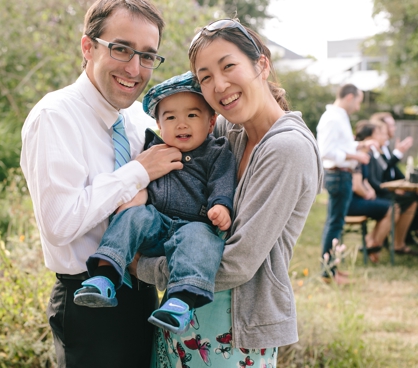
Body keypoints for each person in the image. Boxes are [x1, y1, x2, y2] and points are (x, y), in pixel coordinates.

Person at [135, 19, 321, 368]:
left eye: (228, 66)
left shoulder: (287, 148)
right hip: (180, 316)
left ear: (261, 64)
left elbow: (239, 262)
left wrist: (141, 266)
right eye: (205, 77)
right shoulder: (227, 132)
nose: (219, 85)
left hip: (234, 331)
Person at [20, 1, 182, 366]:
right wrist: (138, 173)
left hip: (143, 292)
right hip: (88, 303)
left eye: (147, 56)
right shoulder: (54, 117)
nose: (135, 69)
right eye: (122, 49)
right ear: (88, 47)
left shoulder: (137, 118)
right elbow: (60, 223)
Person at [73, 71, 235, 336]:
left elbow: (222, 182)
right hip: (156, 223)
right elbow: (143, 179)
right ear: (159, 124)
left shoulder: (216, 151)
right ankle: (104, 277)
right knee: (132, 216)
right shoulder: (154, 149)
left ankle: (180, 300)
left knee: (201, 241)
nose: (181, 124)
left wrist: (221, 205)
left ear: (210, 122)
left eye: (192, 115)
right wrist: (140, 193)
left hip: (193, 225)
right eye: (171, 117)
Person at [316, 84, 372, 279]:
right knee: (335, 224)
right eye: (358, 101)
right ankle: (328, 272)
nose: (358, 106)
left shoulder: (340, 117)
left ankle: (331, 268)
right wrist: (357, 157)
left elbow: (341, 146)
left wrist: (360, 145)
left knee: (336, 223)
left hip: (342, 175)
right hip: (338, 175)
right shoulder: (332, 118)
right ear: (350, 97)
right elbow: (326, 151)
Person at [358, 119, 418, 255]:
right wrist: (391, 189)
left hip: (379, 191)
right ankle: (377, 243)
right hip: (375, 194)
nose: (384, 137)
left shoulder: (376, 152)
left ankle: (395, 242)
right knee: (403, 202)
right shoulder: (368, 153)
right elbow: (373, 180)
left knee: (411, 199)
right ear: (371, 137)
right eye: (380, 134)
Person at [346, 121, 392, 263]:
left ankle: (371, 241)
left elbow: (364, 181)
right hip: (352, 202)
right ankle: (374, 246)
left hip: (359, 199)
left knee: (389, 206)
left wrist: (370, 190)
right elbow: (356, 185)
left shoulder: (363, 155)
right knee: (392, 208)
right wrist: (367, 194)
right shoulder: (358, 157)